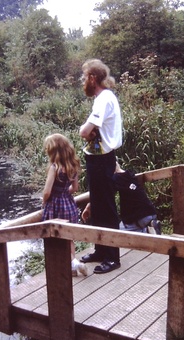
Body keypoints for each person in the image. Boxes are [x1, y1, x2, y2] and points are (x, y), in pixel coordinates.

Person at [78, 59, 123, 274]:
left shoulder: (104, 99)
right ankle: (100, 249)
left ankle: (112, 256)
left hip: (103, 159)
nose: (83, 81)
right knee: (97, 204)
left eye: (84, 76)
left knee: (106, 206)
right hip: (97, 158)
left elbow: (85, 132)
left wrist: (83, 130)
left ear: (92, 78)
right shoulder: (102, 98)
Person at [41, 133, 87, 277]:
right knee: (68, 237)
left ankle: (72, 263)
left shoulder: (54, 167)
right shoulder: (73, 165)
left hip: (55, 206)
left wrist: (43, 201)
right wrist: (63, 193)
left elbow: (47, 191)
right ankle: (73, 267)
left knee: (55, 239)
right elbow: (75, 188)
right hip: (69, 204)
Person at [81, 162, 161, 235]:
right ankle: (150, 227)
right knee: (128, 229)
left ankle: (147, 231)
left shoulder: (115, 178)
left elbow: (103, 195)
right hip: (150, 213)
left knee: (117, 235)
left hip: (138, 218)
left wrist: (89, 205)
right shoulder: (130, 175)